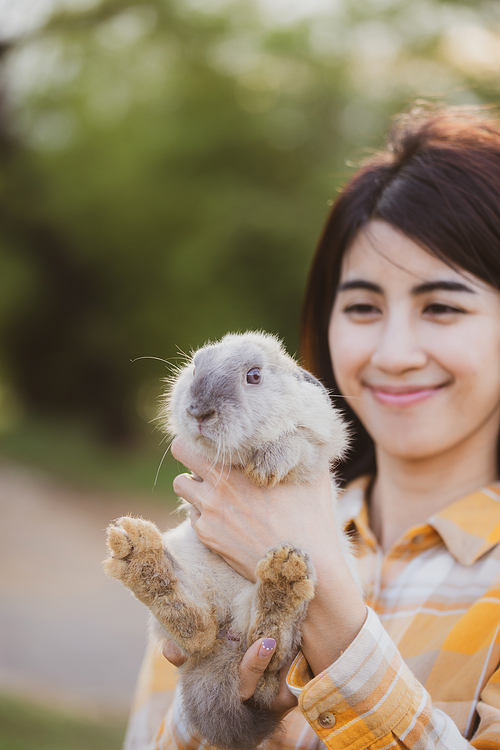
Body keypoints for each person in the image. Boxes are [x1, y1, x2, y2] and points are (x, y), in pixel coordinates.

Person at [125, 103, 500, 749]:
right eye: (361, 306)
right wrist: (219, 716)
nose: (393, 352)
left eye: (440, 306)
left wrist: (326, 606)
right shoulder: (221, 533)